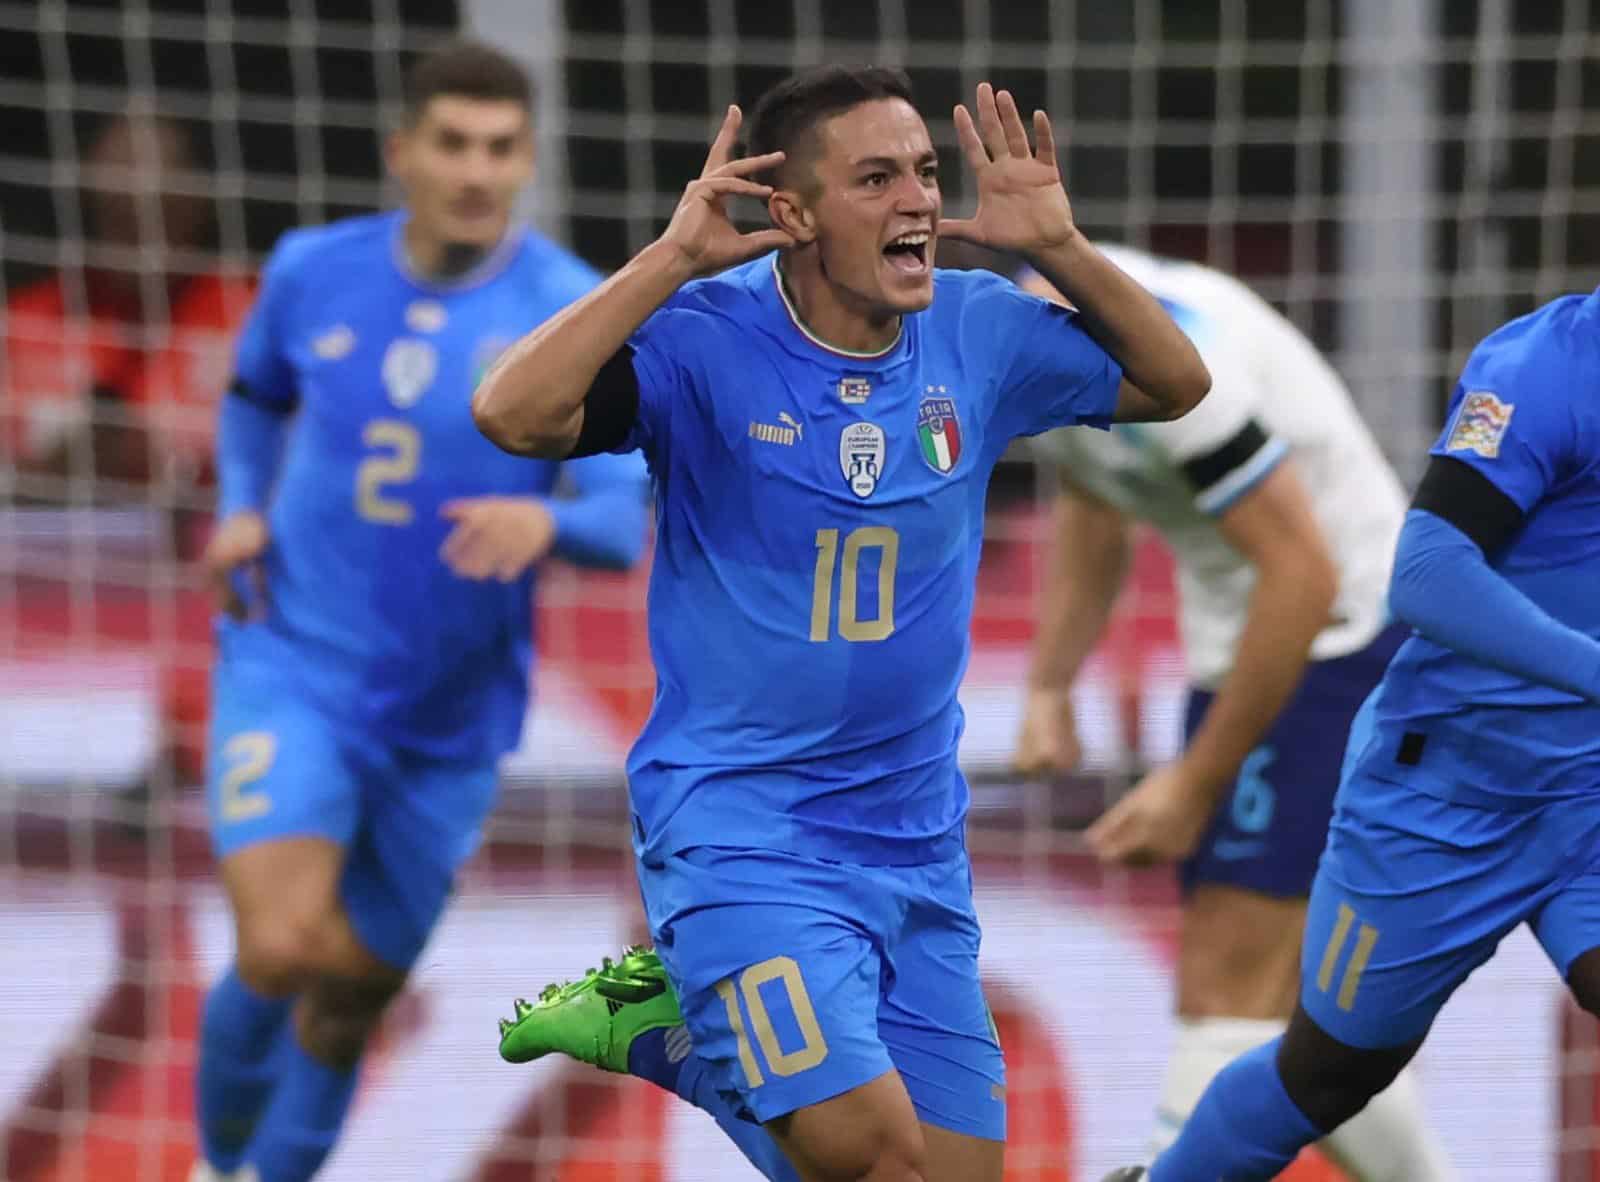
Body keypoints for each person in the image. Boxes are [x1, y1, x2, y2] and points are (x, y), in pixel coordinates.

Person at [475, 65, 1208, 1182]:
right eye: (875, 179)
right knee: (868, 1155)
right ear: (794, 213)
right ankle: (680, 1036)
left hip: (915, 837)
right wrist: (669, 259)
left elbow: (1174, 384)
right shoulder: (706, 339)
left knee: (941, 1178)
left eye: (924, 172)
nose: (917, 199)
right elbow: (510, 413)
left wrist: (1059, 246)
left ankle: (669, 1024)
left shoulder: (977, 329)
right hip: (745, 828)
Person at [190, 42, 648, 1182]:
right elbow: (252, 400)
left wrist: (544, 523)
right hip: (294, 662)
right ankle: (214, 1162)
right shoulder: (312, 271)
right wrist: (240, 508)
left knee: (350, 1001)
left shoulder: (568, 311)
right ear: (403, 151)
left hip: (450, 717)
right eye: (452, 143)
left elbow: (618, 520)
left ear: (528, 160)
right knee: (280, 945)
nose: (476, 171)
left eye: (500, 148)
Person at [1101, 287, 1600, 1181]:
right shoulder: (1546, 366)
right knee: (1327, 1075)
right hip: (1444, 796)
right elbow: (1427, 577)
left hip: (1589, 794)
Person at [1013, 247, 1455, 1181]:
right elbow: (1094, 492)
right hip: (1249, 637)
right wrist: (1051, 684)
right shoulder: (1020, 348)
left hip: (1343, 633)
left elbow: (1304, 575)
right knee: (1288, 1007)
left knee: (1227, 975)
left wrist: (1193, 782)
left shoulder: (1181, 366)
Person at [3, 106, 250, 521]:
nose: (143, 236)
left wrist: (171, 463)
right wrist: (60, 466)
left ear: (198, 203)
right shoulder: (29, 323)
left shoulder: (251, 313)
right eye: (121, 215)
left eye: (162, 212)